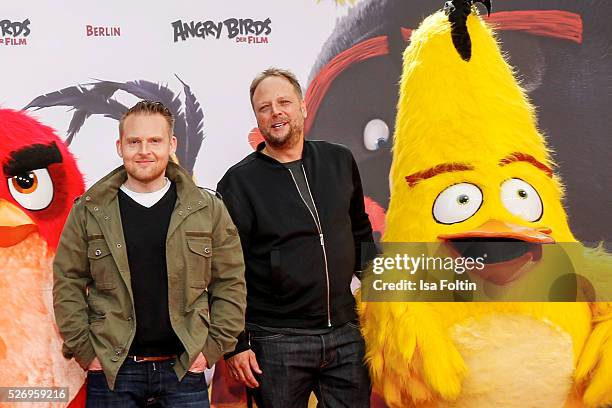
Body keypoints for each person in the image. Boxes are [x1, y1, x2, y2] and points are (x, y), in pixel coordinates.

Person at [53, 100, 246, 407]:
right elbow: (67, 282)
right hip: (114, 372)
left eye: (154, 141)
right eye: (134, 141)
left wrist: (211, 349)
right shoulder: (90, 210)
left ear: (171, 144)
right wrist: (86, 351)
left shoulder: (207, 209)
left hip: (183, 370)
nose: (144, 150)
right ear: (120, 146)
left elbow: (231, 281)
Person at [217, 68, 375, 408]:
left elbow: (360, 230)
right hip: (276, 341)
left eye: (284, 102)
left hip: (346, 333)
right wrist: (236, 344)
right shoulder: (238, 182)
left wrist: (385, 300)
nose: (276, 112)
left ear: (302, 107)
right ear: (257, 118)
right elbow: (225, 270)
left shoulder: (339, 160)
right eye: (264, 107)